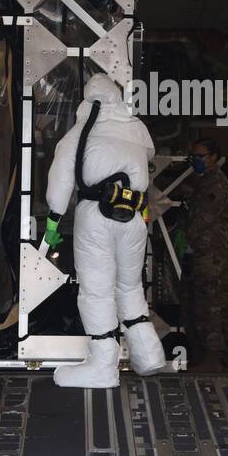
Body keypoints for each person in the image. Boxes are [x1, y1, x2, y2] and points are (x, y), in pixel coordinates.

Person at [44, 74, 166, 387]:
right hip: (134, 217)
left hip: (96, 215)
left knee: (96, 289)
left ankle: (102, 366)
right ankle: (148, 354)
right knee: (129, 286)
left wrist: (53, 221)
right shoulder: (136, 129)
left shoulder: (81, 131)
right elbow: (147, 157)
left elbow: (60, 178)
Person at [181, 138, 228, 372]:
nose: (195, 161)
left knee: (212, 310)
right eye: (193, 157)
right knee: (207, 309)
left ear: (214, 157)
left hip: (214, 258)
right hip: (204, 256)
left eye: (200, 156)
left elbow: (201, 222)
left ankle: (215, 358)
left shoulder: (215, 185)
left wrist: (187, 235)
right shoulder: (202, 183)